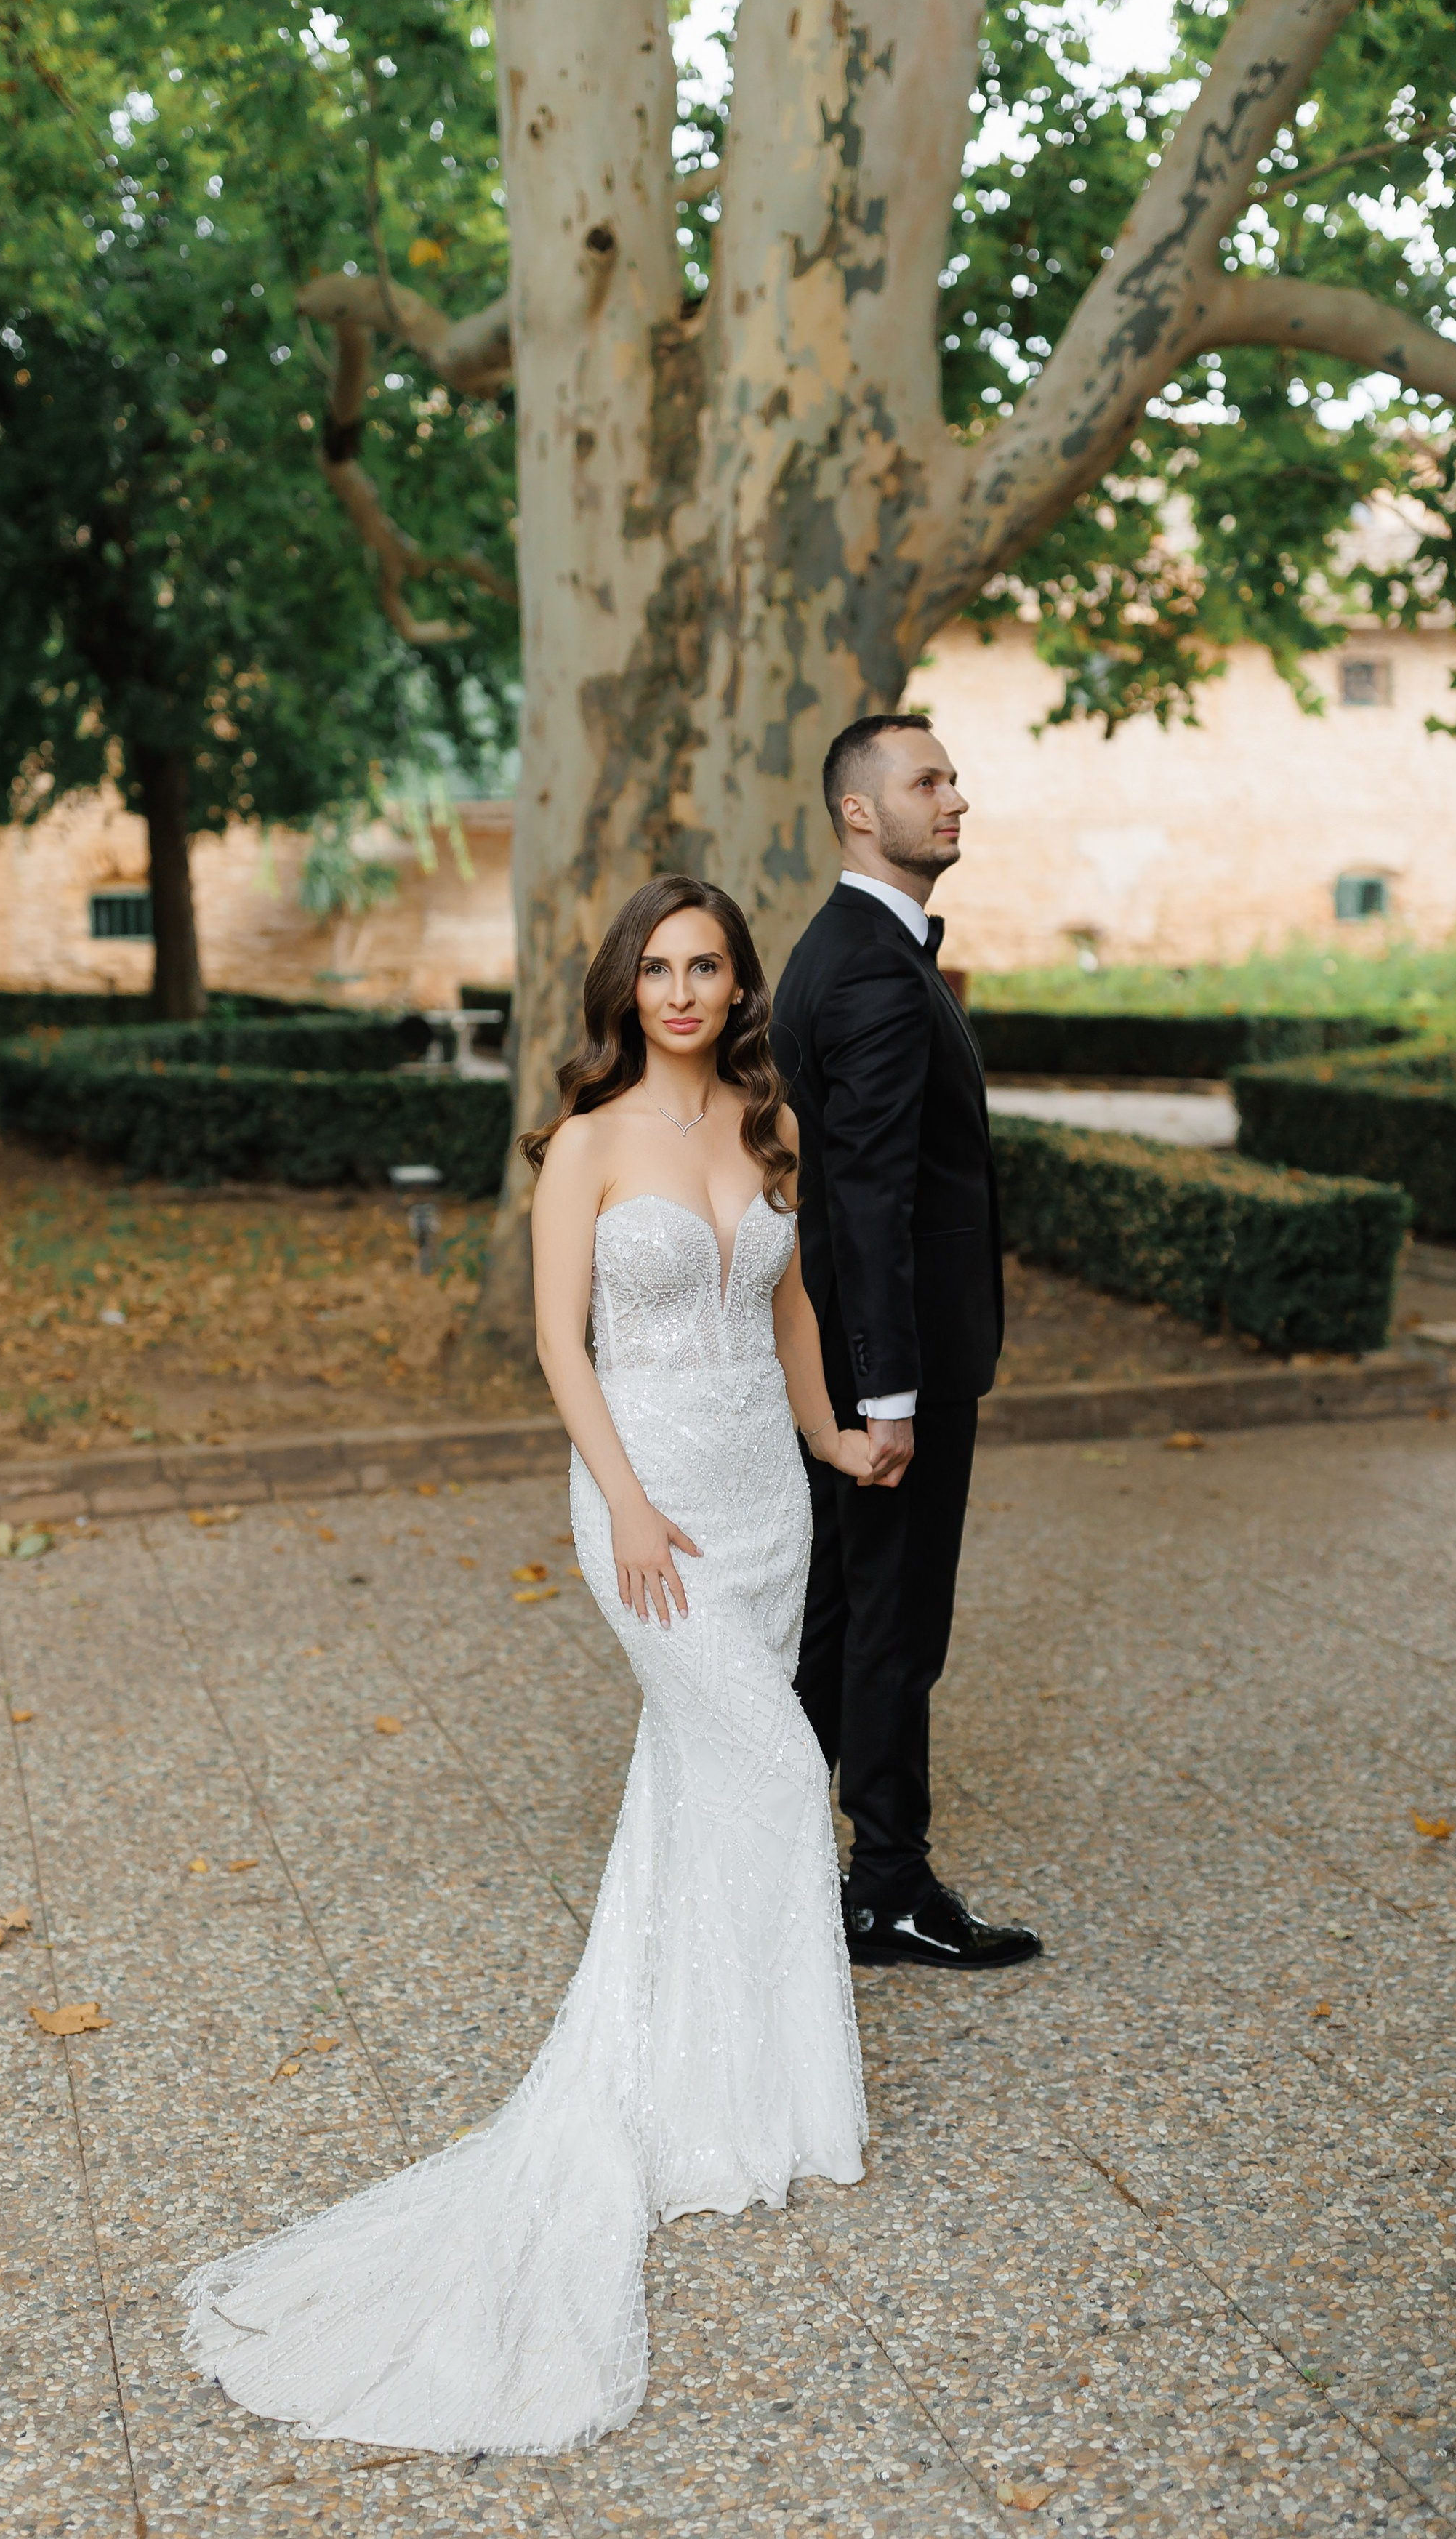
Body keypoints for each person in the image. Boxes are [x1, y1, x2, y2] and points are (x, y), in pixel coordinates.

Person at [180, 874, 872, 2455]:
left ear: (736, 984)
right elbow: (563, 1343)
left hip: (764, 1500)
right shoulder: (587, 1139)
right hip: (643, 1499)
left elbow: (790, 1310)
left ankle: (729, 2097)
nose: (681, 991)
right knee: (771, 1766)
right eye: (657, 967)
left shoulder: (767, 1130)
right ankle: (727, 2100)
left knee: (701, 1781)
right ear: (622, 987)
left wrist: (831, 1436)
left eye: (705, 967)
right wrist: (626, 1498)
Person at [772, 711, 1042, 1972]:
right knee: (892, 1622)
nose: (956, 798)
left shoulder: (844, 948)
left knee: (842, 1617)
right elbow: (869, 1197)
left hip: (868, 1354)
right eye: (927, 781)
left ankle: (761, 1840)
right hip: (892, 1366)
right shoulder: (874, 968)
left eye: (953, 775)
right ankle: (887, 1882)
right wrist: (889, 1398)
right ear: (858, 813)